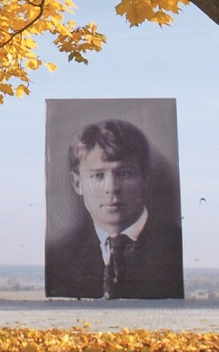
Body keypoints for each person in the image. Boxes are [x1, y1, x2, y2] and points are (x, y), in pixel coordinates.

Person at [46, 119, 183, 299]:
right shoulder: (60, 258)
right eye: (98, 176)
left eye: (124, 173)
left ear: (145, 178)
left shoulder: (174, 249)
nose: (112, 188)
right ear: (78, 183)